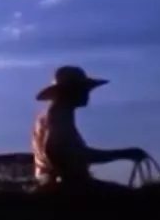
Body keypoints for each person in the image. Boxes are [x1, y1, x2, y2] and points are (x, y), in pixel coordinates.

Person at [31, 65, 150, 194]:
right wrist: (123, 154)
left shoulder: (51, 116)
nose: (87, 94)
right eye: (83, 90)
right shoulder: (58, 115)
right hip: (70, 188)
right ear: (70, 91)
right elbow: (60, 152)